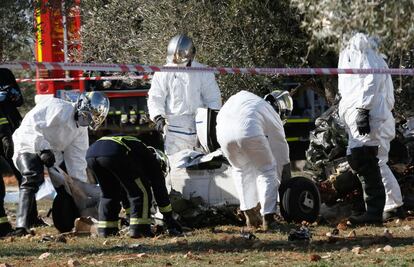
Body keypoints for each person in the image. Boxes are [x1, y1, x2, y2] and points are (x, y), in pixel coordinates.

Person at [10, 91, 109, 236]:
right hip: (27, 144)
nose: (87, 120)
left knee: (66, 188)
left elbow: (77, 157)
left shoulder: (80, 130)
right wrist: (42, 148)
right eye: (87, 115)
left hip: (52, 154)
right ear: (81, 105)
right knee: (31, 178)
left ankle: (68, 224)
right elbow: (31, 125)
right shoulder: (57, 107)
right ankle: (21, 226)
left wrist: (77, 185)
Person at [338, 32, 404, 224]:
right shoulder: (361, 48)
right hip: (374, 112)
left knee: (363, 158)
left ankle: (374, 212)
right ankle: (392, 206)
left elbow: (372, 77)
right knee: (376, 162)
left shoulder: (359, 43)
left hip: (369, 112)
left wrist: (363, 109)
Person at [215, 90, 293, 230]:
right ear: (280, 108)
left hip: (222, 131)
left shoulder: (253, 102)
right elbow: (281, 151)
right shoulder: (271, 113)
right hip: (247, 129)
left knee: (240, 169)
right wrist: (287, 184)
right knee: (267, 170)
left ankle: (249, 215)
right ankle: (268, 219)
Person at [86, 135, 182, 238]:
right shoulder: (152, 161)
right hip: (115, 152)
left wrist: (128, 216)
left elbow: (125, 190)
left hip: (92, 153)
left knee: (109, 194)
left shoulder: (136, 154)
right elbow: (160, 190)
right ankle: (140, 230)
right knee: (142, 192)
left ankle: (106, 230)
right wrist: (169, 218)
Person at [147, 34, 222, 159]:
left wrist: (212, 122)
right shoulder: (163, 72)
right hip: (174, 127)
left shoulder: (203, 71)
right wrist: (157, 116)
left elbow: (213, 98)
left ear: (191, 54)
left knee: (202, 168)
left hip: (200, 127)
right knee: (176, 168)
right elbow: (155, 96)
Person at [0, 68, 24, 236]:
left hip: (13, 127)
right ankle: (2, 225)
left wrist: (13, 95)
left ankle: (29, 217)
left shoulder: (5, 74)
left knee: (23, 174)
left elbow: (20, 101)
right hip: (2, 131)